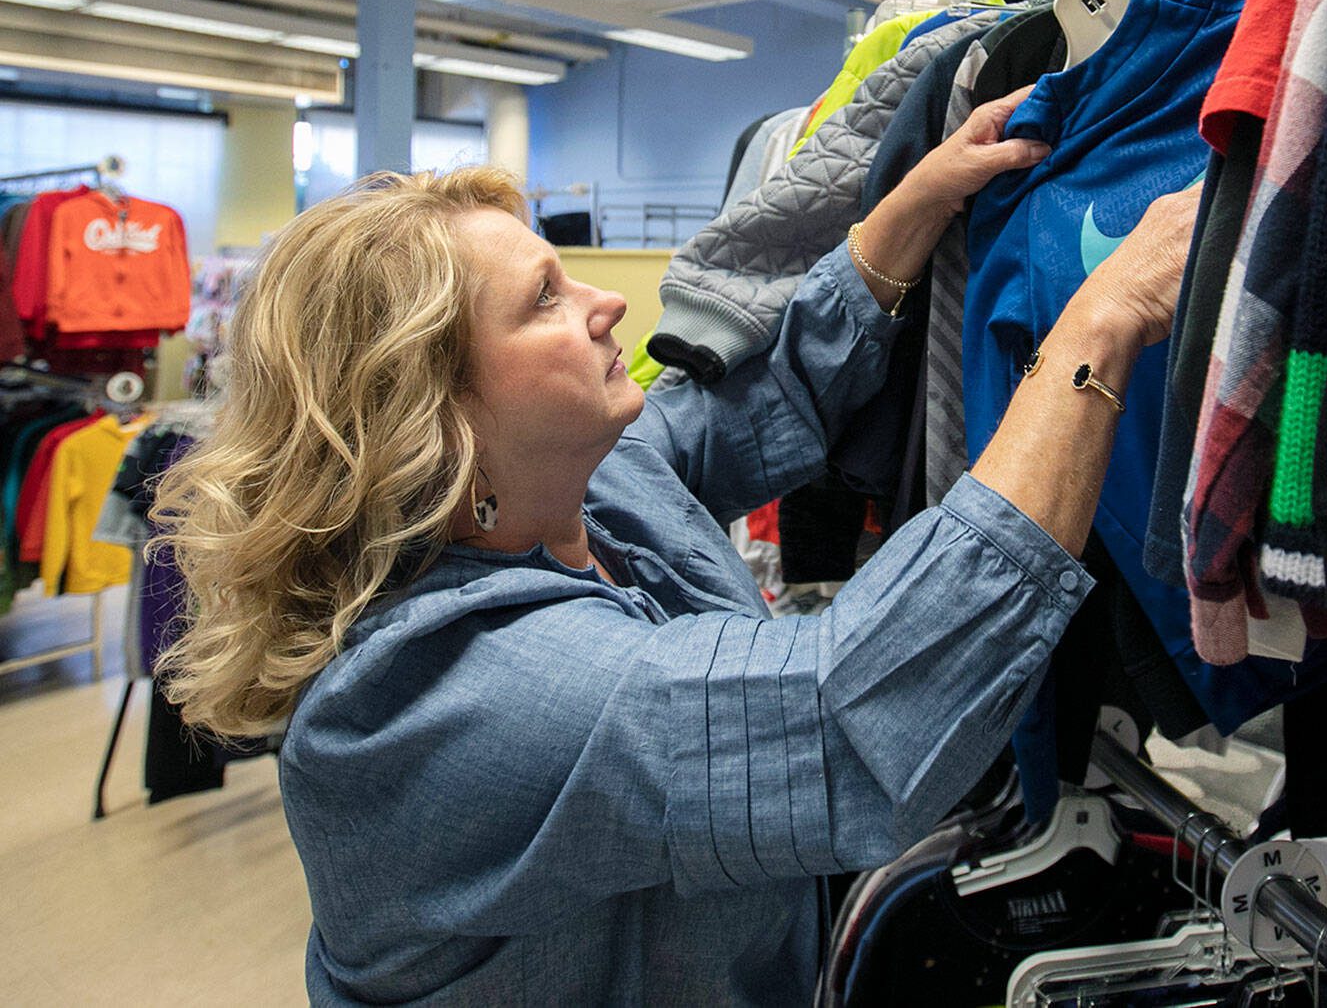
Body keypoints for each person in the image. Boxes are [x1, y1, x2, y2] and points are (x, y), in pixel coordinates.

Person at [155, 91, 1200, 1007]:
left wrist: (909, 208)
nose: (608, 302)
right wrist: (1096, 326)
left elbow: (746, 404)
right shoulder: (447, 698)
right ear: (439, 421)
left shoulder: (581, 490)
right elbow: (848, 718)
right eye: (545, 303)